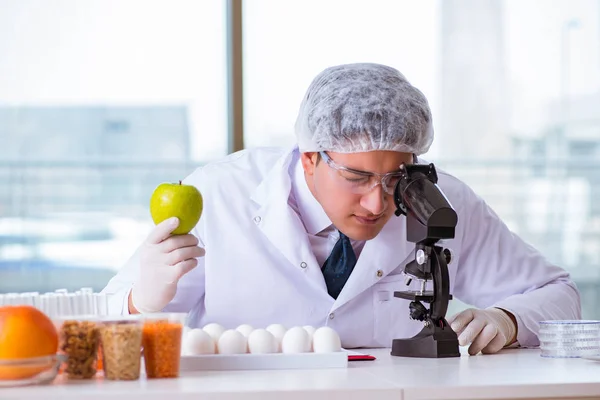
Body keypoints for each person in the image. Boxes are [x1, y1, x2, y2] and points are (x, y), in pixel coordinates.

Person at [102, 63, 581, 355]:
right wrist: (139, 301)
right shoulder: (219, 196)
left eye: (397, 178)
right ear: (310, 157)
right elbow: (99, 329)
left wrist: (509, 320)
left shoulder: (443, 203)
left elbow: (559, 294)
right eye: (356, 177)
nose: (378, 202)